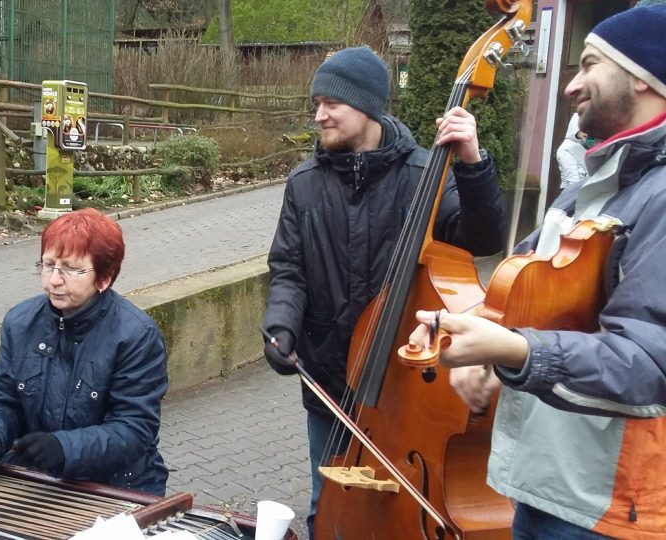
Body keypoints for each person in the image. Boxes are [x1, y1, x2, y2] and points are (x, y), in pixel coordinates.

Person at [409, 5, 666, 537]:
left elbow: (649, 362)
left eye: (591, 64)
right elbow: (521, 292)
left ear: (645, 76)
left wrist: (511, 350)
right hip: (547, 485)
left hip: (610, 507)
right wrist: (478, 334)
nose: (573, 85)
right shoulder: (588, 188)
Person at [261, 46, 507, 538]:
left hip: (407, 388)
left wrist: (473, 163)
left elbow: (483, 239)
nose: (319, 115)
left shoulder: (424, 175)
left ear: (368, 107)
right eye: (316, 103)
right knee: (325, 505)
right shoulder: (304, 183)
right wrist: (280, 324)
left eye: (332, 103)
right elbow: (288, 267)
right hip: (332, 382)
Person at [0, 208, 169, 496]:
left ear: (104, 278)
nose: (54, 280)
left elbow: (133, 429)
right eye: (48, 265)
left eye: (71, 269)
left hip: (119, 486)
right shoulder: (20, 322)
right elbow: (3, 399)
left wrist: (64, 448)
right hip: (40, 480)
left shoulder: (135, 335)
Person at [556, 113, 590, 188]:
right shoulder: (566, 147)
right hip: (573, 191)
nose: (587, 133)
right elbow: (572, 176)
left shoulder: (584, 144)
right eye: (583, 129)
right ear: (575, 128)